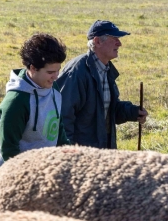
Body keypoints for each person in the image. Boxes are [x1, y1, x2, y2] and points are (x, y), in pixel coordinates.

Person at [56, 20, 147, 149]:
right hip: (82, 154)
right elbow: (63, 117)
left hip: (102, 151)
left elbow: (107, 111)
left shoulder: (106, 70)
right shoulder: (77, 72)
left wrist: (133, 112)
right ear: (98, 41)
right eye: (114, 38)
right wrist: (67, 154)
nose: (119, 43)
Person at [0, 33, 70, 176]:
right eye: (50, 72)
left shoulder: (54, 88)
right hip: (12, 172)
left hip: (43, 170)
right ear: (33, 68)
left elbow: (58, 129)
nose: (56, 76)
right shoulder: (16, 102)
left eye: (58, 70)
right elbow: (9, 149)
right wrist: (30, 177)